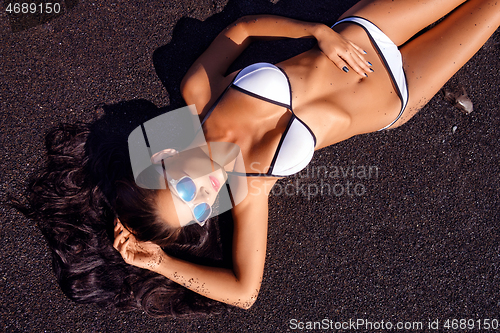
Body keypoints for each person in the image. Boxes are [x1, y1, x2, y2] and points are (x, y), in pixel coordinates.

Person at [19, 0, 500, 317]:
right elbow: (244, 293)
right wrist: (159, 263)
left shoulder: (197, 99)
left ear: (165, 157)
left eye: (184, 188)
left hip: (367, 32)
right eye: (200, 208)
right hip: (398, 96)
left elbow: (244, 29)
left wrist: (317, 32)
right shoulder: (251, 188)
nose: (207, 192)